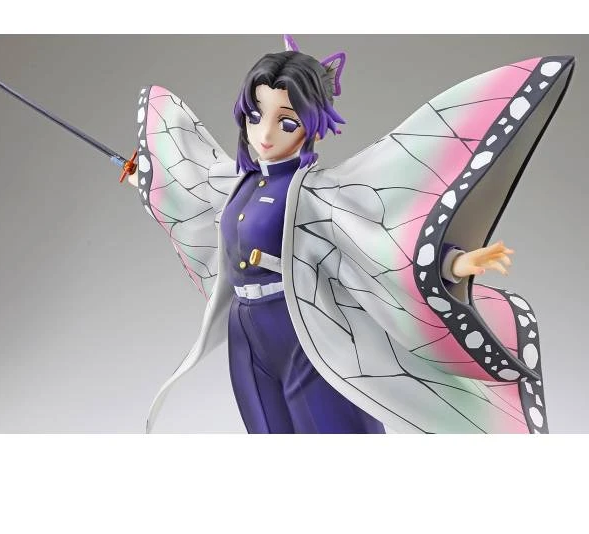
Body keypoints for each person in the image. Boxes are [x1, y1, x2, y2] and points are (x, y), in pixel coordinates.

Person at [129, 36, 574, 433]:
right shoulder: (235, 181)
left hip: (301, 328)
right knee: (266, 431)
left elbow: (379, 245)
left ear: (313, 124)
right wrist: (143, 177)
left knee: (330, 430)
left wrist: (453, 263)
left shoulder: (316, 193)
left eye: (286, 122)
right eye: (255, 115)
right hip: (246, 330)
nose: (264, 133)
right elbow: (190, 188)